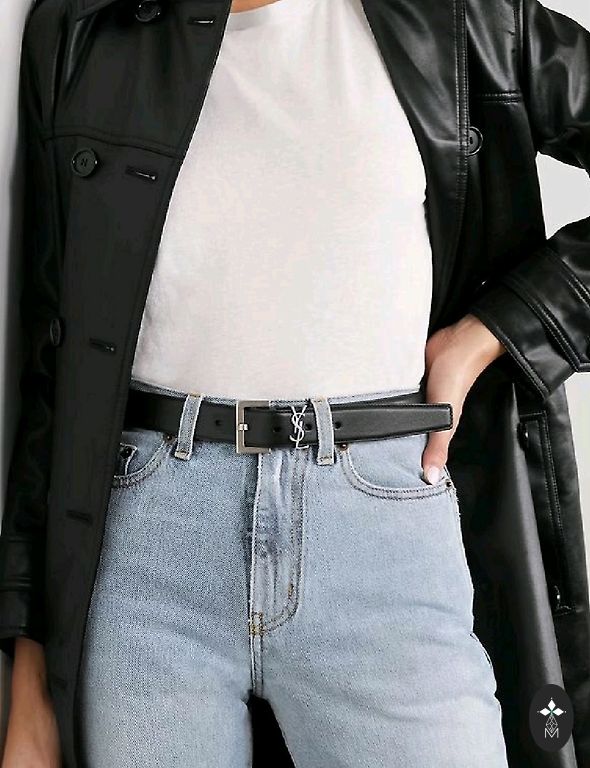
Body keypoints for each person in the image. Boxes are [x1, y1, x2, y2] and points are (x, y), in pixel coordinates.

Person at [1, 0, 589, 766]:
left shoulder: (463, 18)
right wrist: (32, 691)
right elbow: (52, 370)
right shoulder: (85, 27)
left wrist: (491, 334)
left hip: (384, 535)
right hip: (148, 555)